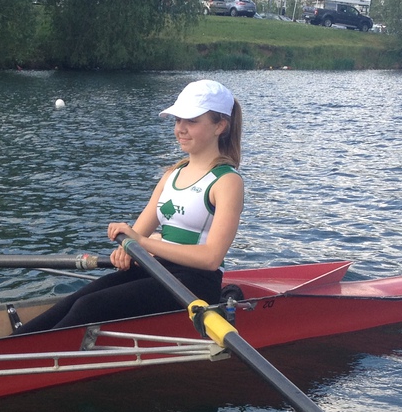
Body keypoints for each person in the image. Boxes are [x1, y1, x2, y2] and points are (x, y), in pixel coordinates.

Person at [18, 79, 244, 333]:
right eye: (178, 120)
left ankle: (30, 354)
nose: (180, 128)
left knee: (90, 306)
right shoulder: (172, 174)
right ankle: (11, 345)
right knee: (74, 300)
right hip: (158, 269)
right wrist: (125, 250)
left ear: (220, 126)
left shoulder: (226, 181)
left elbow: (211, 258)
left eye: (191, 121)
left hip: (196, 283)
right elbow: (137, 234)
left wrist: (142, 243)